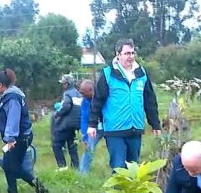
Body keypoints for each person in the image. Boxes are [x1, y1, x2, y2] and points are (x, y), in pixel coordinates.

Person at [87, 38, 161, 170]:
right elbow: (98, 100)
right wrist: (92, 124)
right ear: (118, 54)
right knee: (119, 167)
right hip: (115, 130)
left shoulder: (141, 73)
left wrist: (155, 124)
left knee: (133, 168)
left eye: (132, 53)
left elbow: (150, 100)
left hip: (135, 129)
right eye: (127, 53)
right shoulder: (108, 74)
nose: (130, 56)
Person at [0, 70, 48, 193]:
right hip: (18, 137)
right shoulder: (9, 96)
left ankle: (38, 187)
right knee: (8, 165)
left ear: (0, 84)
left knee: (12, 166)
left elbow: (13, 118)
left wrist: (11, 139)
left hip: (19, 138)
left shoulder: (12, 98)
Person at [52, 74, 82, 169]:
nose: (62, 85)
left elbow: (66, 106)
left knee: (56, 144)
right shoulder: (77, 93)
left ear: (68, 84)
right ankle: (75, 168)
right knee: (72, 147)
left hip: (66, 124)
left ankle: (62, 167)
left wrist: (57, 113)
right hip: (76, 124)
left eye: (63, 83)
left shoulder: (68, 93)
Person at [79, 79, 102, 174]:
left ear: (91, 90)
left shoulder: (102, 97)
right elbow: (84, 119)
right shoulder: (84, 102)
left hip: (107, 125)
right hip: (93, 128)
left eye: (83, 92)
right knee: (88, 148)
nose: (81, 94)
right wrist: (85, 137)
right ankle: (83, 173)